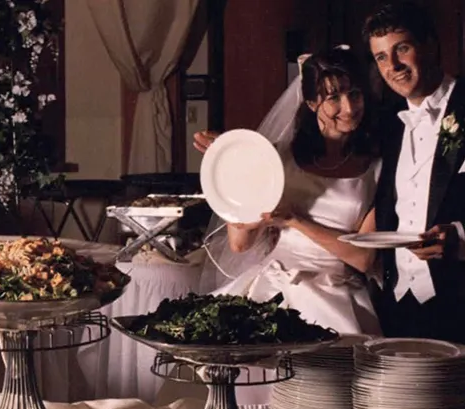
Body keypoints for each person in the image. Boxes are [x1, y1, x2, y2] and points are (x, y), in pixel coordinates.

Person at [195, 47, 384, 336]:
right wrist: (236, 163)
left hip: (337, 292)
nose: (348, 108)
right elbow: (240, 244)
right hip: (274, 285)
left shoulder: (378, 167)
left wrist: (294, 220)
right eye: (333, 97)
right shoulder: (278, 159)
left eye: (355, 94)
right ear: (310, 103)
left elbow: (363, 258)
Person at [363, 2, 465, 344]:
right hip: (398, 308)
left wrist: (461, 239)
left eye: (401, 49)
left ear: (431, 45)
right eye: (381, 57)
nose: (392, 66)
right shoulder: (389, 126)